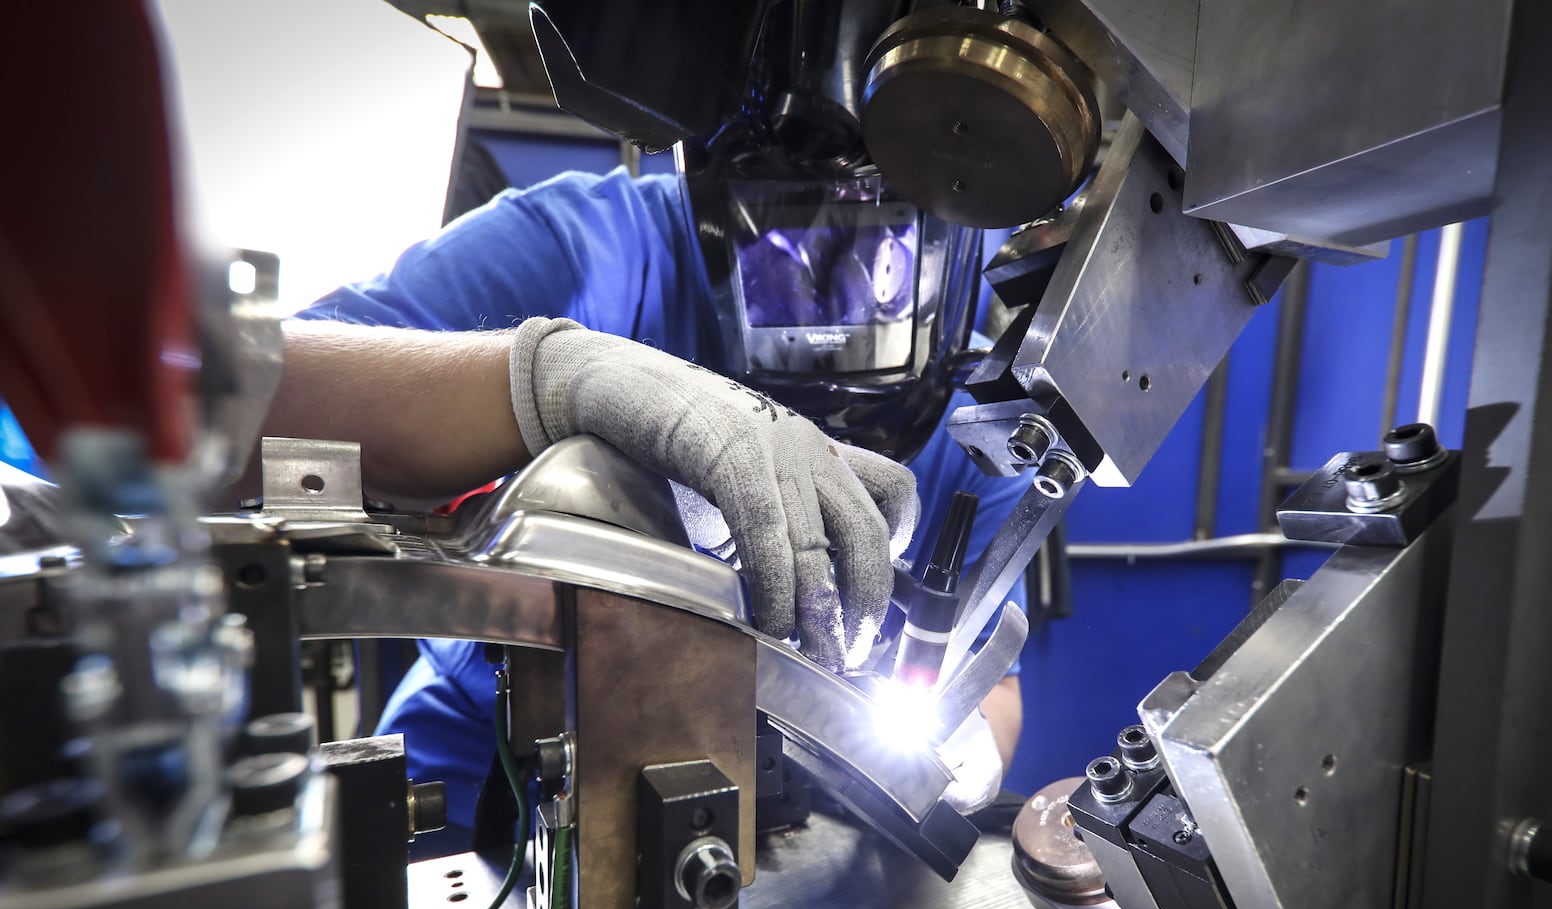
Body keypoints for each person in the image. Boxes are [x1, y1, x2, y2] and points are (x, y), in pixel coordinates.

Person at [268, 30, 1032, 833]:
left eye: (876, 252)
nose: (827, 287)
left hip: (786, 833)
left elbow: (987, 679)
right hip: (487, 786)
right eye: (782, 243)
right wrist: (541, 379)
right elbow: (247, 396)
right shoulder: (588, 255)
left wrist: (961, 754)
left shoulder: (983, 422)